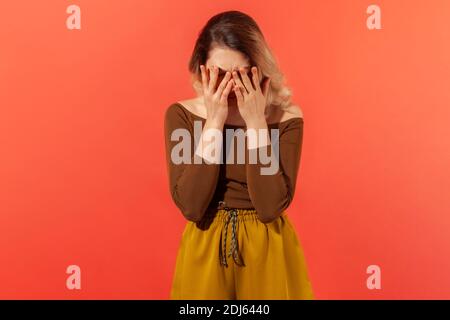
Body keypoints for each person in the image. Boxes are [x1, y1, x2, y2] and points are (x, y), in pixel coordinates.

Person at [164, 10, 314, 300]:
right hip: (205, 248)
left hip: (267, 249)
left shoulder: (286, 118)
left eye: (241, 75)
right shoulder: (182, 115)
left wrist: (256, 122)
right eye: (218, 74)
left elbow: (270, 206)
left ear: (260, 71)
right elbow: (192, 206)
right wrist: (214, 122)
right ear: (201, 68)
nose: (229, 86)